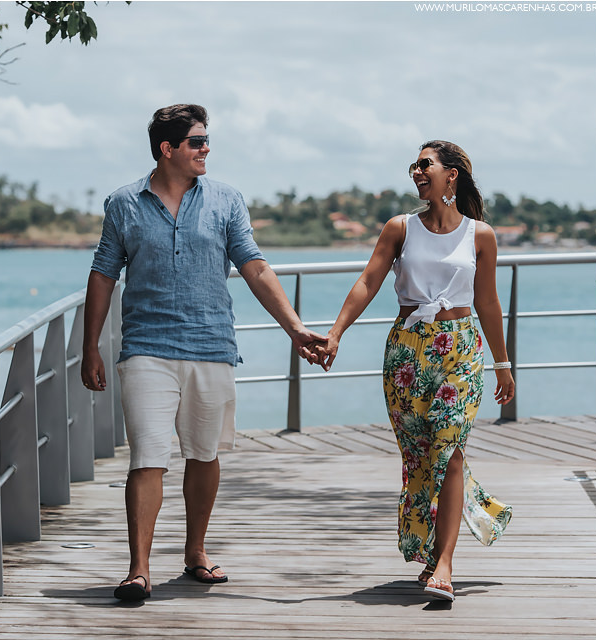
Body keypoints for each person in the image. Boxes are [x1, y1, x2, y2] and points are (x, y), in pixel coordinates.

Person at [81, 104, 325, 602]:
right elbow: (103, 274)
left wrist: (295, 328)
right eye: (197, 141)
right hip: (146, 347)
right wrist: (90, 347)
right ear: (168, 149)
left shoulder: (226, 200)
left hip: (212, 344)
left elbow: (254, 267)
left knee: (204, 453)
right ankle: (138, 570)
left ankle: (195, 551)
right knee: (148, 454)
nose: (206, 148)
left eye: (207, 140)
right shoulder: (124, 203)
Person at [314, 140, 515, 602]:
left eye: (426, 165)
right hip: (407, 352)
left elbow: (487, 301)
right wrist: (336, 333)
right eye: (415, 166)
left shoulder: (480, 234)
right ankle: (435, 550)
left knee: (451, 449)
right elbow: (368, 281)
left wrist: (502, 363)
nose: (417, 172)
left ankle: (445, 564)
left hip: (461, 350)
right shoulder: (400, 228)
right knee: (421, 458)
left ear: (452, 175)